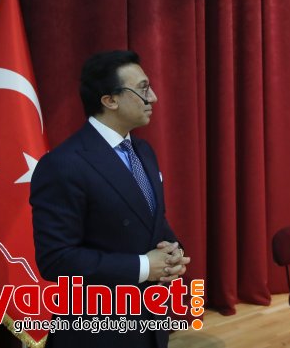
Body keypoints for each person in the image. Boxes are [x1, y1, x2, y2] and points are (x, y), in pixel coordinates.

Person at [30, 50, 190, 348]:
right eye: (143, 89)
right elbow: (56, 259)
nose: (153, 97)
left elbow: (152, 220)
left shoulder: (144, 151)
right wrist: (143, 267)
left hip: (149, 320)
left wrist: (173, 251)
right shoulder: (63, 164)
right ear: (110, 100)